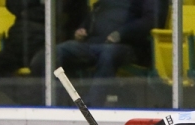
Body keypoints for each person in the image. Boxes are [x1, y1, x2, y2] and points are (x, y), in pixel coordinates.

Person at [30, 0, 169, 107]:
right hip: (92, 44)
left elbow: (153, 19)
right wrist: (83, 27)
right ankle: (59, 104)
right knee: (54, 54)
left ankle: (91, 107)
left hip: (129, 46)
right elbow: (96, 13)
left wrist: (121, 34)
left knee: (109, 54)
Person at [0, 0, 87, 105]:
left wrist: (31, 11)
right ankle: (30, 100)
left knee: (42, 62)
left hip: (47, 45)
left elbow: (62, 14)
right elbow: (13, 6)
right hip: (18, 45)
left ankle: (39, 103)